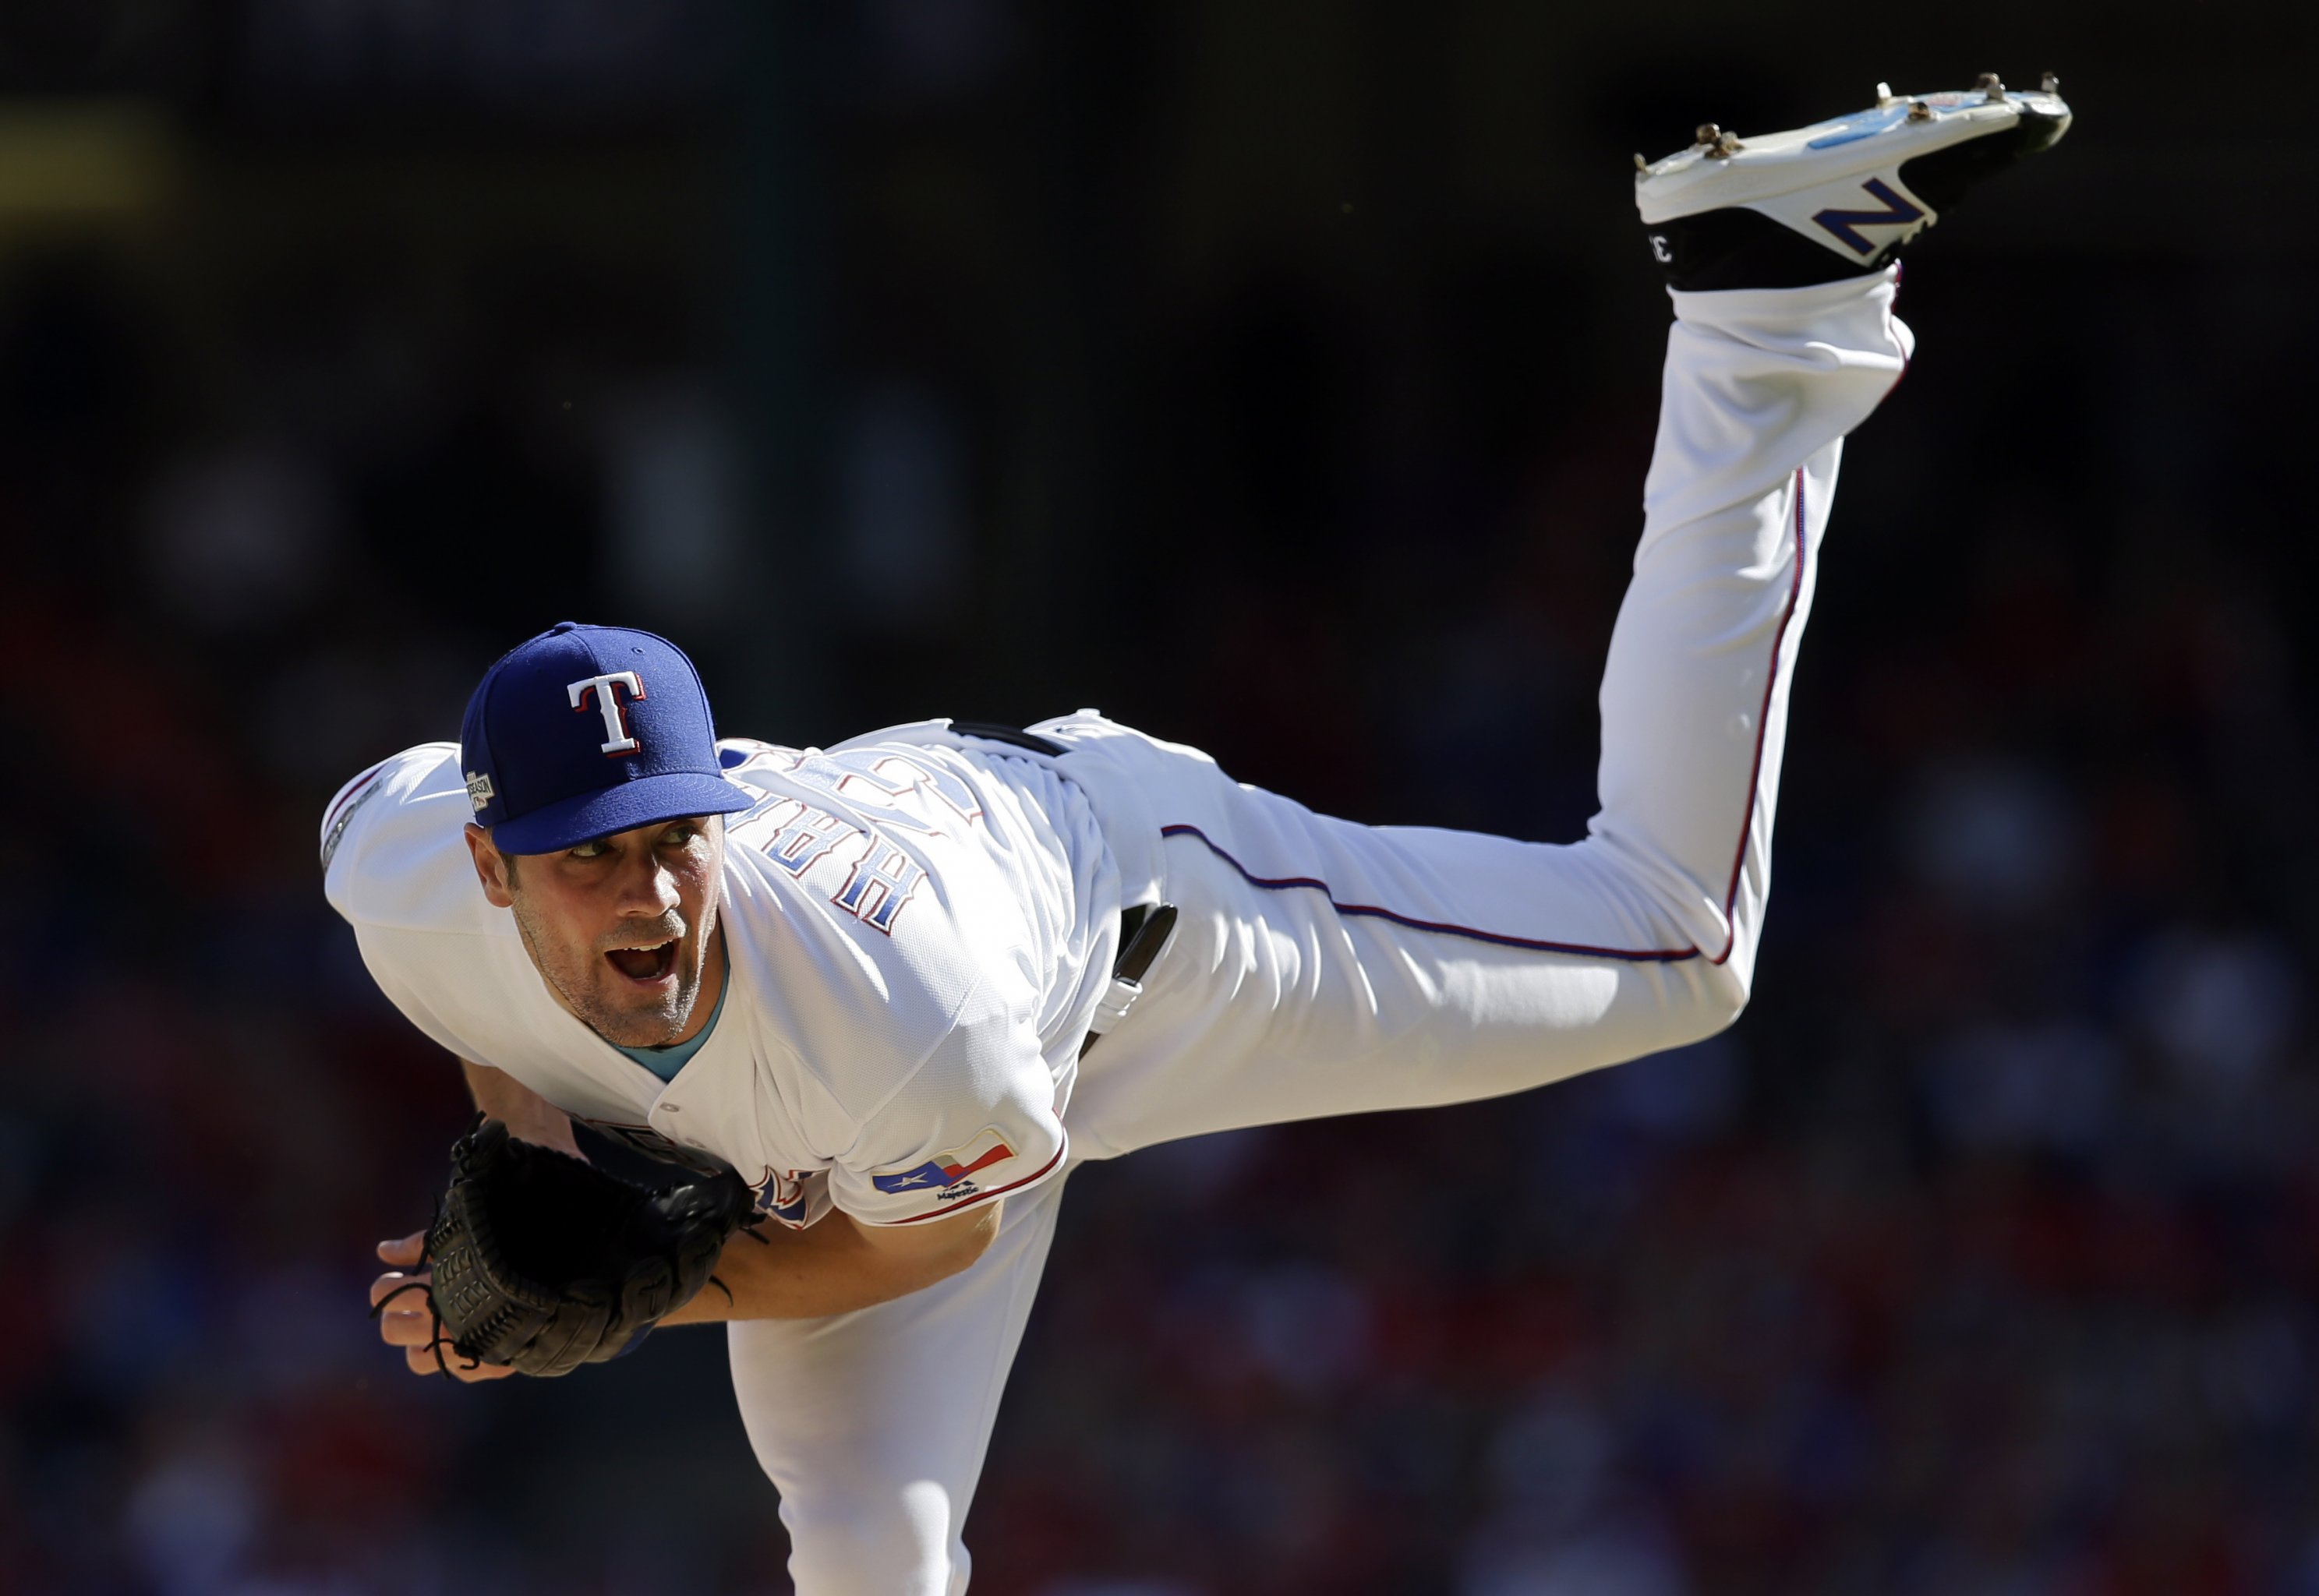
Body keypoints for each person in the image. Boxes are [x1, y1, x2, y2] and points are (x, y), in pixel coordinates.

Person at [331, 79, 2070, 1596]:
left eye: (673, 836)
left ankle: (1768, 306)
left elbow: (927, 1237)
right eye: (588, 855)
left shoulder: (904, 1013)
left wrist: (652, 1291)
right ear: (488, 868)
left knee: (1680, 943)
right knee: (867, 1547)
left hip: (1128, 938)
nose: (647, 884)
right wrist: (537, 1153)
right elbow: (484, 1000)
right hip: (888, 1055)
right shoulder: (405, 884)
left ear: (720, 814)